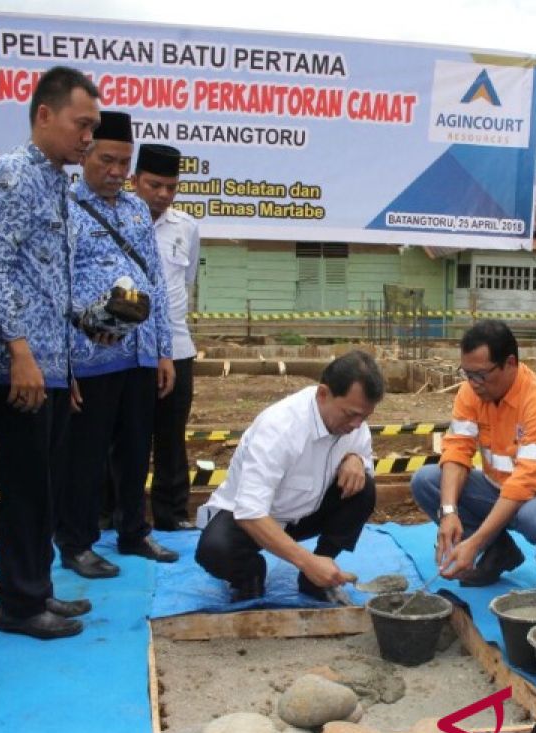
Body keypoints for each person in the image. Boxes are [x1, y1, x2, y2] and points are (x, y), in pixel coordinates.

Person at [0, 65, 102, 639]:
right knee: (24, 485)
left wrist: (68, 359)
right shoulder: (12, 177)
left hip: (46, 360)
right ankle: (18, 604)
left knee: (44, 482)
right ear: (44, 114)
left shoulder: (56, 183)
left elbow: (47, 281)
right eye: (80, 124)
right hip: (10, 362)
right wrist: (20, 352)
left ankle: (36, 587)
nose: (87, 137)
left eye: (92, 126)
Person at [54, 111, 178, 579]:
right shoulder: (65, 207)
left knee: (134, 450)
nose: (116, 171)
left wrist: (163, 349)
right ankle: (77, 542)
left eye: (124, 162)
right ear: (85, 153)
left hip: (140, 352)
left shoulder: (133, 210)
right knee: (85, 455)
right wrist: (64, 361)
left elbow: (157, 283)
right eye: (107, 159)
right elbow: (56, 284)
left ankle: (134, 531)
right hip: (89, 355)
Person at [410, 320, 536, 589]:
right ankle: (499, 553)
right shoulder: (471, 392)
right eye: (467, 374)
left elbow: (524, 483)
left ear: (510, 364)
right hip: (499, 489)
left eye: (480, 374)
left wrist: (474, 542)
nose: (473, 383)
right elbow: (457, 451)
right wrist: (448, 512)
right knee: (427, 480)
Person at [195, 351, 382, 601]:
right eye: (351, 415)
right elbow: (250, 512)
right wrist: (306, 561)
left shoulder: (353, 423)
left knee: (364, 489)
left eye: (365, 416)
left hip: (304, 512)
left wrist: (357, 459)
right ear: (323, 394)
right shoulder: (279, 427)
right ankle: (250, 575)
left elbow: (364, 456)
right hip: (253, 521)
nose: (358, 425)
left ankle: (317, 578)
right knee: (215, 550)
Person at [133, 143, 201, 531]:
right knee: (127, 436)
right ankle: (118, 514)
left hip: (176, 346)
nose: (161, 194)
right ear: (136, 180)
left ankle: (172, 514)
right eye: (154, 184)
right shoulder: (118, 221)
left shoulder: (186, 227)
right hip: (131, 349)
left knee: (172, 435)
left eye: (170, 187)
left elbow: (184, 283)